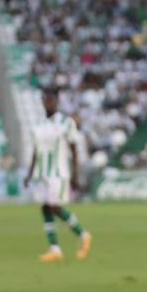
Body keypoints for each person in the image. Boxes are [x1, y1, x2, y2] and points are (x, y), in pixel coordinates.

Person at [24, 87, 91, 262]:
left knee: (55, 206)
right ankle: (54, 249)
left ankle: (83, 235)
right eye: (46, 100)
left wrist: (76, 174)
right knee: (45, 207)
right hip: (41, 172)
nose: (49, 103)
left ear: (57, 102)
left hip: (59, 173)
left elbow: (74, 148)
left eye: (51, 100)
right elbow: (35, 151)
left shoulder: (66, 123)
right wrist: (29, 174)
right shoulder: (38, 125)